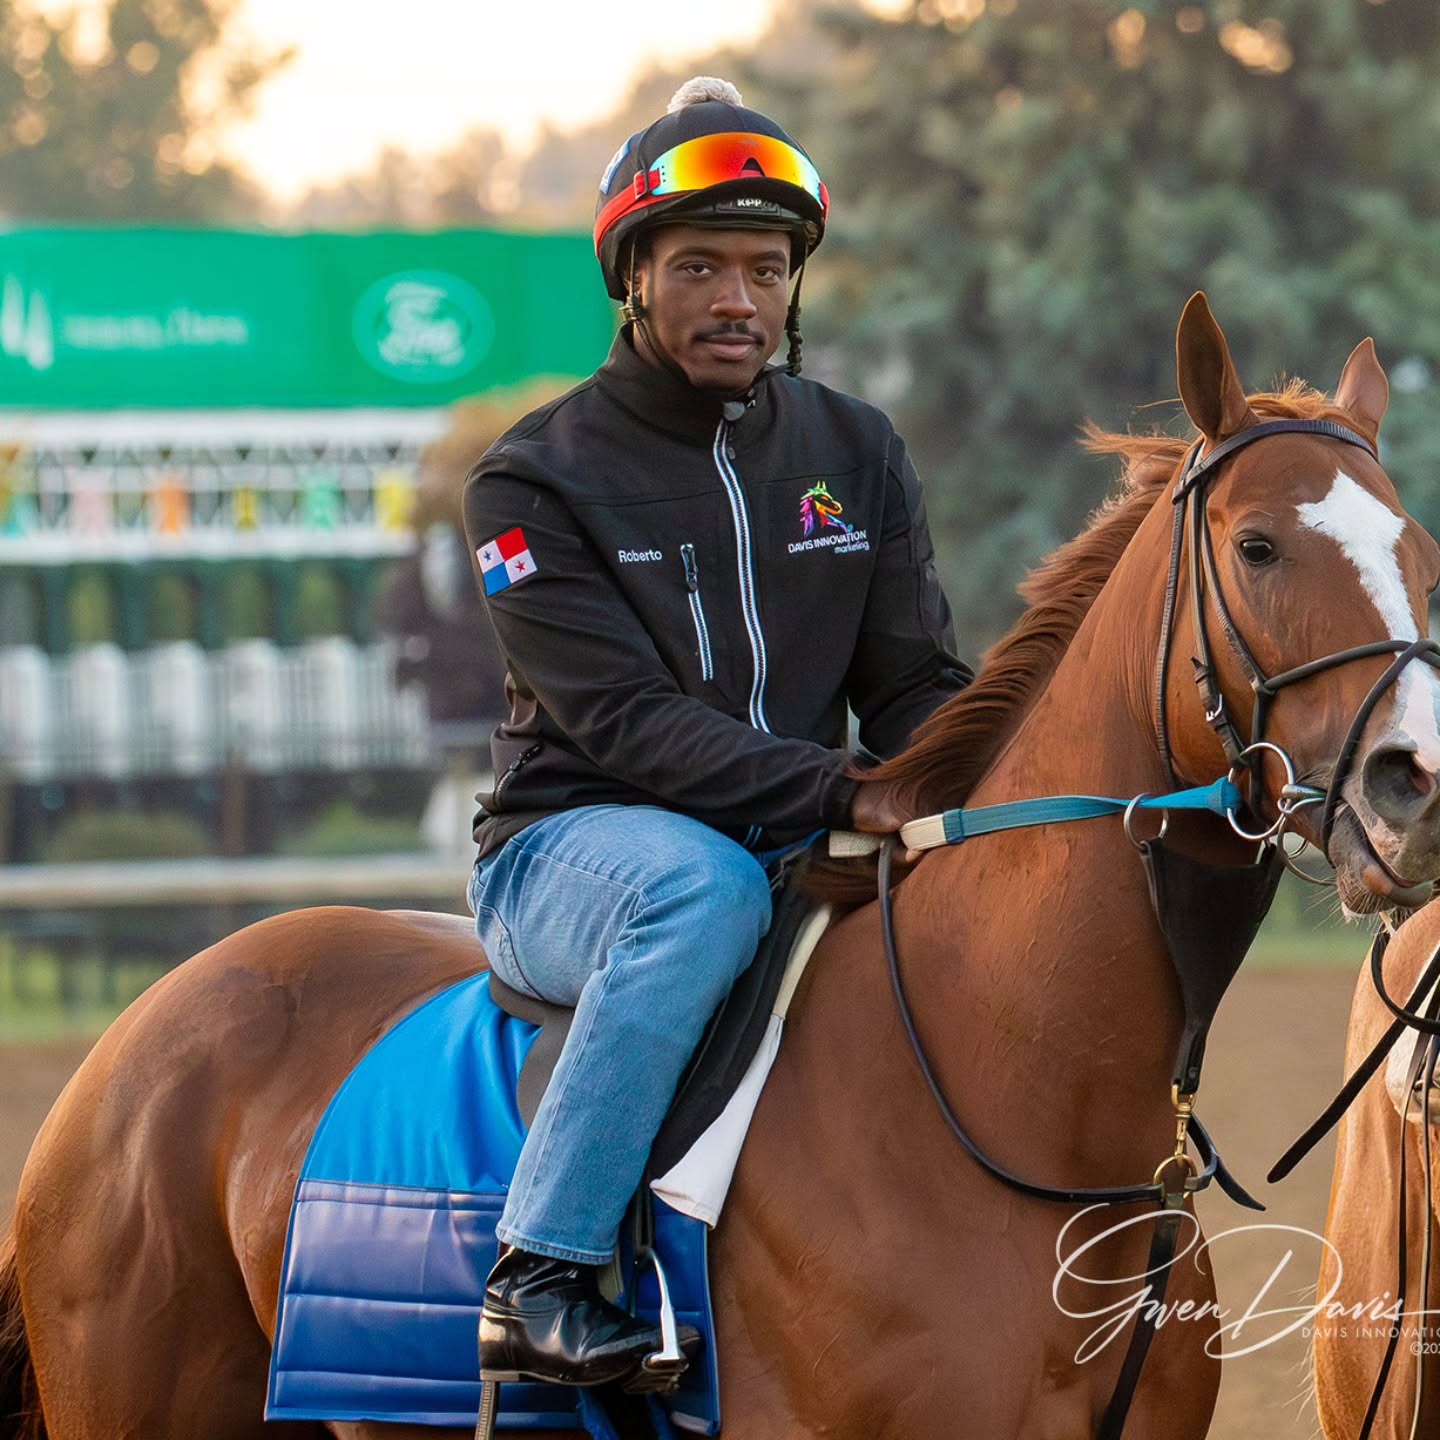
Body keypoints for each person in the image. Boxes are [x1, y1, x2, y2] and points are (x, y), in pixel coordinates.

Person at [463, 75, 972, 1389]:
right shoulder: (530, 477)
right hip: (576, 852)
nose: (739, 298)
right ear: (632, 280)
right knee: (699, 890)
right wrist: (843, 792)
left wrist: (986, 778)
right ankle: (545, 1270)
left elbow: (914, 685)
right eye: (698, 265)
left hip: (796, 832)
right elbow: (625, 726)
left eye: (766, 266)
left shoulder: (856, 450)